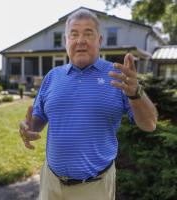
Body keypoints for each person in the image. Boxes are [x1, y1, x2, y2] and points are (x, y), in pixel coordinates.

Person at [19, 9, 157, 200]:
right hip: (50, 183)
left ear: (100, 40)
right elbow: (39, 118)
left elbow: (149, 124)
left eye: (88, 33)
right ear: (66, 41)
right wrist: (28, 127)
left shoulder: (118, 77)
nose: (80, 40)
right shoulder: (52, 77)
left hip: (95, 189)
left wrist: (137, 93)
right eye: (74, 34)